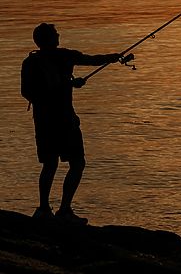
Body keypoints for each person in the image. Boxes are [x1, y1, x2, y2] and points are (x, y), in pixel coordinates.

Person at [21, 23, 123, 224]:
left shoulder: (30, 62)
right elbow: (92, 60)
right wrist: (70, 83)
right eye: (55, 34)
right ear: (50, 39)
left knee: (50, 165)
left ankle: (44, 209)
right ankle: (64, 210)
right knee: (77, 163)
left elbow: (26, 92)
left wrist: (113, 57)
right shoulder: (64, 56)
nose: (59, 35)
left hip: (43, 122)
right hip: (65, 120)